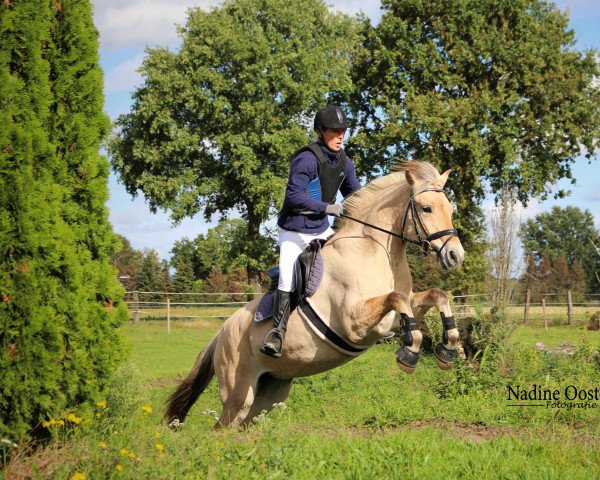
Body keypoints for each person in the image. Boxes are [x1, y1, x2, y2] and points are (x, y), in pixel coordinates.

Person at [260, 105, 361, 358]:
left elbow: (356, 195)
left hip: (320, 230)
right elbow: (294, 196)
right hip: (294, 230)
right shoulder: (306, 158)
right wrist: (328, 207)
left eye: (343, 131)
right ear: (320, 132)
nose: (341, 136)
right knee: (287, 276)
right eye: (335, 131)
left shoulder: (344, 162)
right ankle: (277, 334)